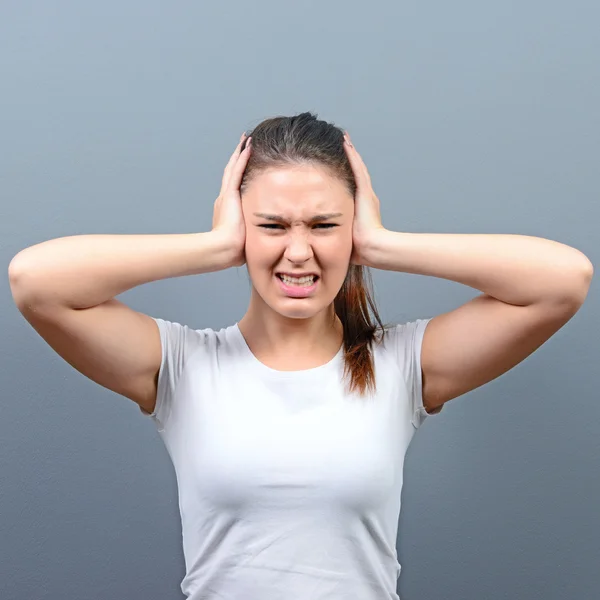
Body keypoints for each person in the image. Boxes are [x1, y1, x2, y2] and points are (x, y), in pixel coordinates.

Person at [8, 112, 593, 600]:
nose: (298, 252)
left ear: (352, 230)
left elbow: (565, 280)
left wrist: (383, 244)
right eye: (271, 225)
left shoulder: (402, 365)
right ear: (241, 229)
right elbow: (35, 281)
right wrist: (211, 247)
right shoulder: (182, 366)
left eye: (323, 225)